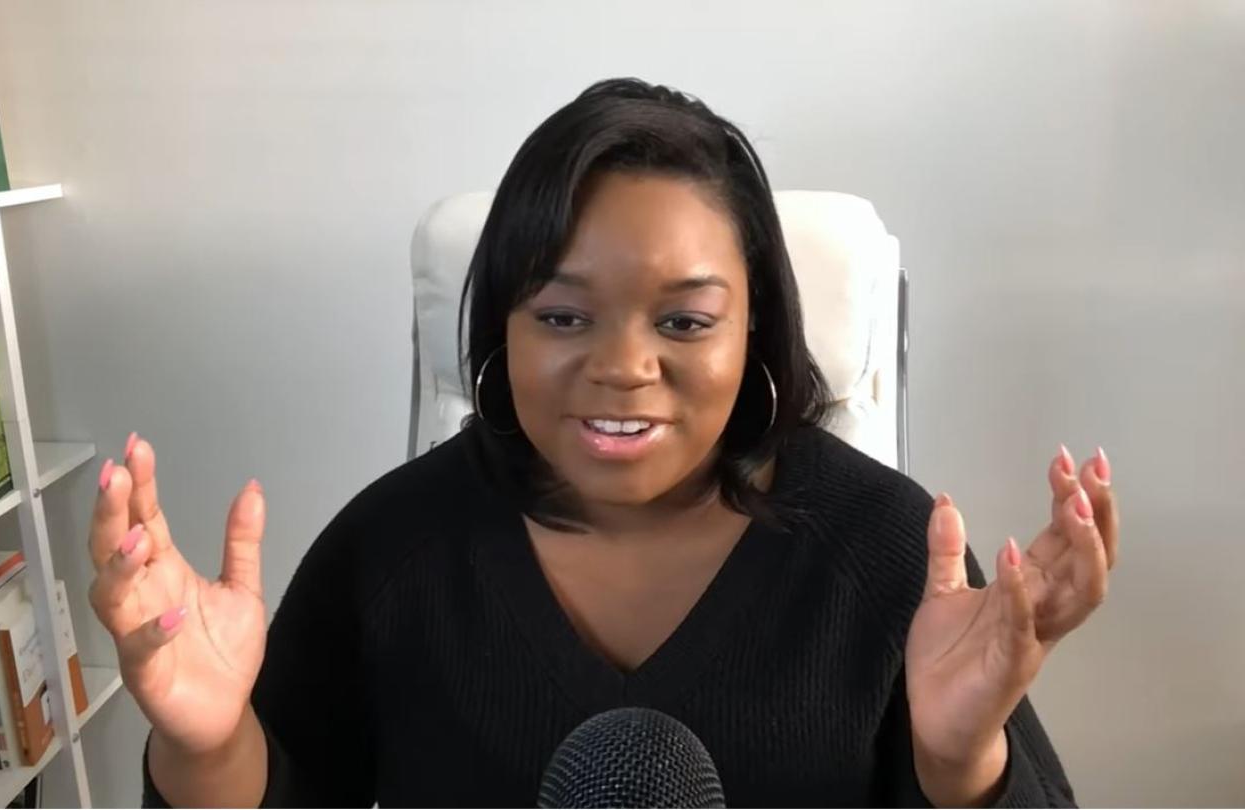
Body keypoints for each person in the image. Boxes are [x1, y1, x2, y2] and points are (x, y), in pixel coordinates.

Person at [89, 78, 1118, 807]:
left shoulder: (885, 554)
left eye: (682, 321)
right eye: (562, 316)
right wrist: (211, 742)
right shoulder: (391, 552)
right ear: (499, 323)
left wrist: (959, 763)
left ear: (756, 327)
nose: (622, 368)